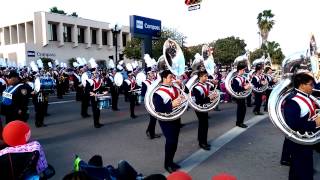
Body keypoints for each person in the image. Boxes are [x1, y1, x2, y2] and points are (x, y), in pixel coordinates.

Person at [283, 72, 320, 180]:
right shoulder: (293, 101)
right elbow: (293, 125)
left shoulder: (308, 97)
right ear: (302, 85)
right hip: (299, 142)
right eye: (311, 85)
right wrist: (315, 123)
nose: (313, 87)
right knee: (303, 172)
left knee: (297, 170)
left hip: (307, 139)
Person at [153, 69, 183, 173]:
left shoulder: (175, 88)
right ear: (164, 78)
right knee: (170, 141)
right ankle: (167, 164)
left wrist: (182, 91)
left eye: (173, 77)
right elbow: (158, 108)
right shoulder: (158, 92)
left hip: (176, 117)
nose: (172, 79)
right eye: (170, 77)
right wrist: (171, 104)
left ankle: (171, 161)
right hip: (166, 120)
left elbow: (186, 93)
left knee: (175, 142)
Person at [192, 70, 217, 151]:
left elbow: (208, 93)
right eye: (205, 76)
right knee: (203, 124)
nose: (207, 78)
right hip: (199, 107)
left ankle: (202, 140)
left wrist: (215, 84)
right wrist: (210, 98)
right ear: (200, 77)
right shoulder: (196, 87)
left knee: (204, 124)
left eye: (207, 76)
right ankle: (202, 142)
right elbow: (199, 101)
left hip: (204, 107)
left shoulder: (206, 85)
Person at [141, 69, 161, 139]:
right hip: (150, 101)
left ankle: (149, 130)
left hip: (156, 101)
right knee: (153, 118)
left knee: (154, 118)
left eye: (153, 74)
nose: (153, 75)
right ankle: (151, 134)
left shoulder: (155, 81)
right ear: (148, 75)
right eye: (151, 74)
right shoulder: (145, 82)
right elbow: (143, 93)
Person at [231, 63, 251, 128]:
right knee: (241, 109)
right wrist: (244, 88)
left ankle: (240, 122)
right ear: (239, 70)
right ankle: (239, 122)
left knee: (243, 109)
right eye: (243, 70)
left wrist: (248, 84)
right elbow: (236, 89)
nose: (244, 71)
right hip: (239, 96)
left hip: (243, 95)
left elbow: (246, 84)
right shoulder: (235, 79)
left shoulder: (243, 78)